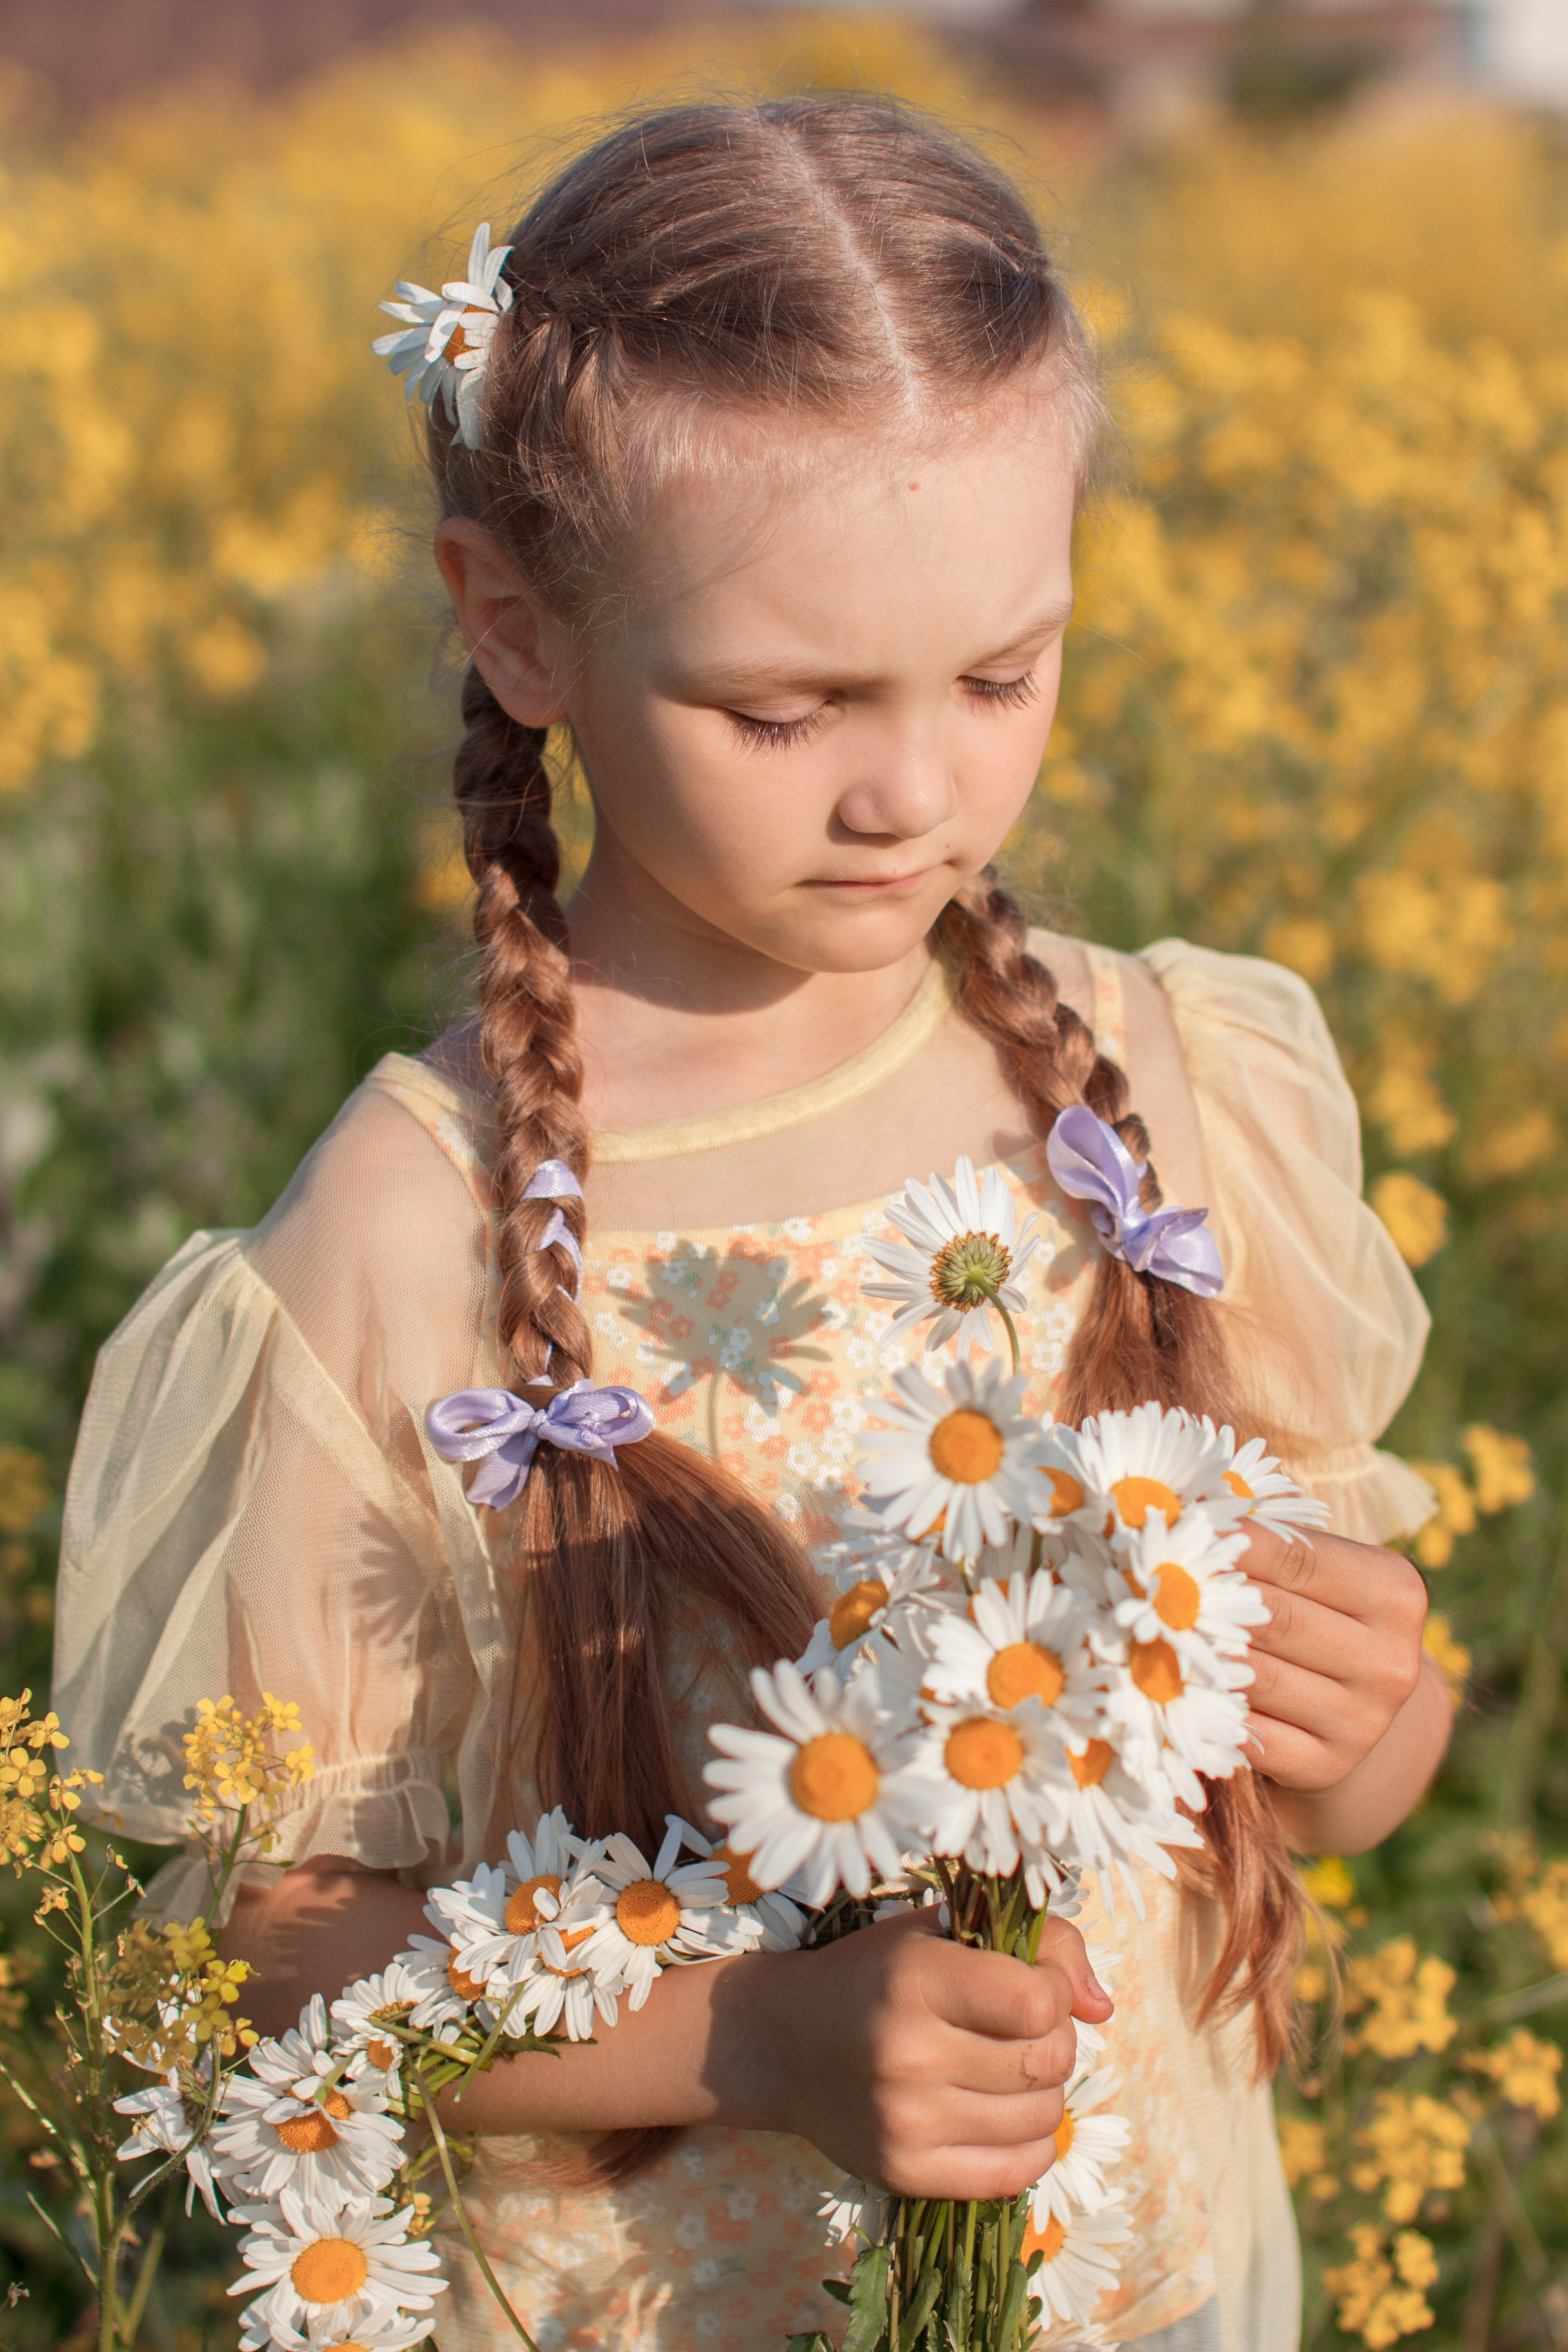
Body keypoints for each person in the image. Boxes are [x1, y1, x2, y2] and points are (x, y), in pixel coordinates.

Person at [55, 96, 1449, 2352]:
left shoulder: (1152, 1080)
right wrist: (756, 2043)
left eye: (1007, 674)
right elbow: (259, 1949)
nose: (917, 793)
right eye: (786, 706)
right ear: (516, 628)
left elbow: (1350, 1786)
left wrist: (1363, 1699)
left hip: (1152, 2280)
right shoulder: (407, 1232)